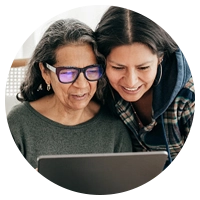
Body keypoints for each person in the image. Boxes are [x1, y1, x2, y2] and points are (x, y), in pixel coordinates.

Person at [6, 18, 133, 171]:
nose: (81, 84)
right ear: (45, 72)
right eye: (68, 73)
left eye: (91, 71)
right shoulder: (18, 124)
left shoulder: (113, 127)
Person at [94, 6, 195, 170]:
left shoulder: (189, 96)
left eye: (143, 68)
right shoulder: (99, 87)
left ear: (160, 58)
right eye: (118, 68)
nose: (131, 82)